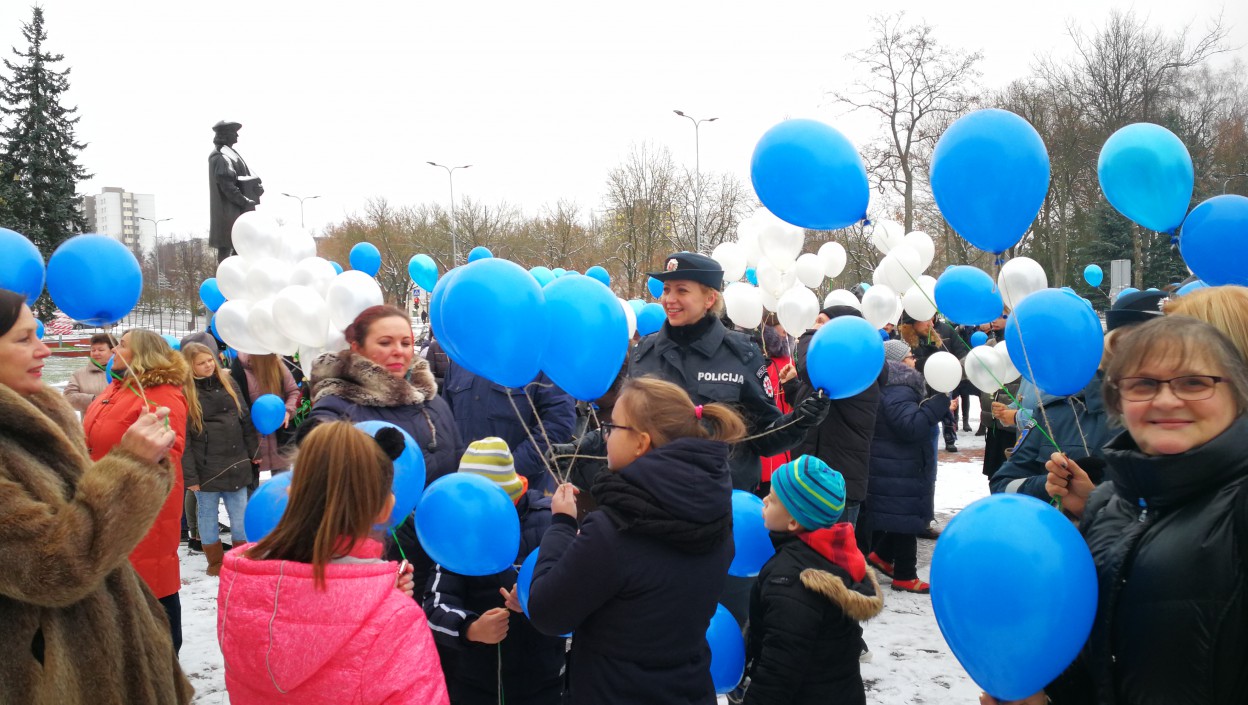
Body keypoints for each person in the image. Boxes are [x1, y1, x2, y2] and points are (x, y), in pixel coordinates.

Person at [992, 315, 1248, 705]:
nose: (1166, 400)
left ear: (1238, 394)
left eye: (1195, 382)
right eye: (1143, 384)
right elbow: (1098, 660)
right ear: (1118, 400)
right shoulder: (1108, 505)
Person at [0, 290, 192, 704]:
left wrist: (136, 465)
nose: (43, 349)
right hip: (54, 673)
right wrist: (129, 467)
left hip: (124, 542)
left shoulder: (39, 412)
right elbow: (51, 564)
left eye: (37, 334)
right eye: (24, 338)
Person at [527, 376, 742, 705]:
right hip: (688, 689)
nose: (605, 436)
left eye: (612, 427)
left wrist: (561, 523)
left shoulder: (614, 530)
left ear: (641, 443)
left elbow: (547, 611)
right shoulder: (716, 513)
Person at [218, 421, 449, 704]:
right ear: (385, 509)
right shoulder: (397, 621)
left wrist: (378, 596)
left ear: (290, 494)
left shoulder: (242, 589)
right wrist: (386, 608)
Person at [304, 304, 462, 594]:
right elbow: (318, 449)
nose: (398, 351)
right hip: (375, 559)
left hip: (440, 548)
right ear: (357, 348)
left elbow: (454, 461)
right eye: (385, 342)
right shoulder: (339, 403)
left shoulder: (432, 401)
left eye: (405, 342)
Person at [988, 290, 1168, 501]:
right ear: (1113, 346)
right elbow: (1002, 484)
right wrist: (1049, 484)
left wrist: (1096, 500)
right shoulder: (1058, 412)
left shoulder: (1184, 419)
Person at [423, 438, 564, 705]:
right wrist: (470, 628)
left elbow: (577, 591)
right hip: (477, 682)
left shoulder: (549, 521)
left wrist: (534, 599)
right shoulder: (459, 529)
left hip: (542, 678)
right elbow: (434, 606)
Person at [741, 455, 883, 705]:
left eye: (773, 499)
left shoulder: (789, 580)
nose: (764, 500)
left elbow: (779, 670)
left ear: (793, 521)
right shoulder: (834, 556)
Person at [82, 328, 189, 651]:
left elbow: (167, 454)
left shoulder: (160, 394)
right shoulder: (115, 388)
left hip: (141, 509)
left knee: (151, 583)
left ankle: (163, 660)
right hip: (106, 500)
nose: (114, 350)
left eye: (123, 345)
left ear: (142, 354)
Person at [864, 340, 950, 594]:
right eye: (910, 355)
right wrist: (938, 404)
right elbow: (910, 427)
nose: (914, 360)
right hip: (898, 465)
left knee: (900, 516)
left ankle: (881, 555)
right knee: (906, 519)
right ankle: (905, 575)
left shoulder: (891, 386)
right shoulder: (899, 388)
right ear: (899, 362)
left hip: (893, 463)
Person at [785, 305, 881, 529]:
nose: (814, 326)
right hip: (813, 479)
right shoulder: (831, 374)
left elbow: (809, 366)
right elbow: (812, 408)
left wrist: (810, 335)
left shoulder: (852, 367)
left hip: (835, 486)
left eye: (821, 321)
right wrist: (791, 386)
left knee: (832, 550)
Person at [182, 342, 258, 577]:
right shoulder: (185, 392)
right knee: (207, 515)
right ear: (190, 366)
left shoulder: (228, 382)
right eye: (201, 363)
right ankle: (215, 562)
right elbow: (184, 439)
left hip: (236, 460)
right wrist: (191, 476)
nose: (208, 365)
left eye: (210, 360)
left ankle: (240, 558)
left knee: (239, 515)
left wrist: (254, 452)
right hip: (206, 466)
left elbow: (245, 417)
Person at [443, 361, 576, 495]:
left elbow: (558, 424)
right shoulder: (460, 361)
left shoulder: (542, 361)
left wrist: (507, 471)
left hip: (523, 494)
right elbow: (446, 425)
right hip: (466, 492)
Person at [230, 352, 300, 484]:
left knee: (282, 486)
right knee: (251, 486)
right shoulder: (238, 371)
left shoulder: (277, 365)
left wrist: (287, 411)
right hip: (252, 439)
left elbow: (293, 391)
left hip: (280, 437)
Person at [208, 119, 263, 263]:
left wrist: (256, 188)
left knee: (240, 245)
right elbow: (227, 186)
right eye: (234, 133)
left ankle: (234, 273)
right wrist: (245, 201)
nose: (237, 136)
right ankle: (225, 275)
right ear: (225, 135)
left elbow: (247, 176)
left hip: (236, 211)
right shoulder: (220, 157)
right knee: (228, 247)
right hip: (229, 212)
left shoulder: (231, 154)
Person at [62, 332, 115, 412]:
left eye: (101, 350)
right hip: (90, 419)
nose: (96, 353)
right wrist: (94, 400)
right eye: (93, 350)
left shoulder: (124, 373)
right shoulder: (79, 374)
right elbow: (68, 397)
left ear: (113, 351)